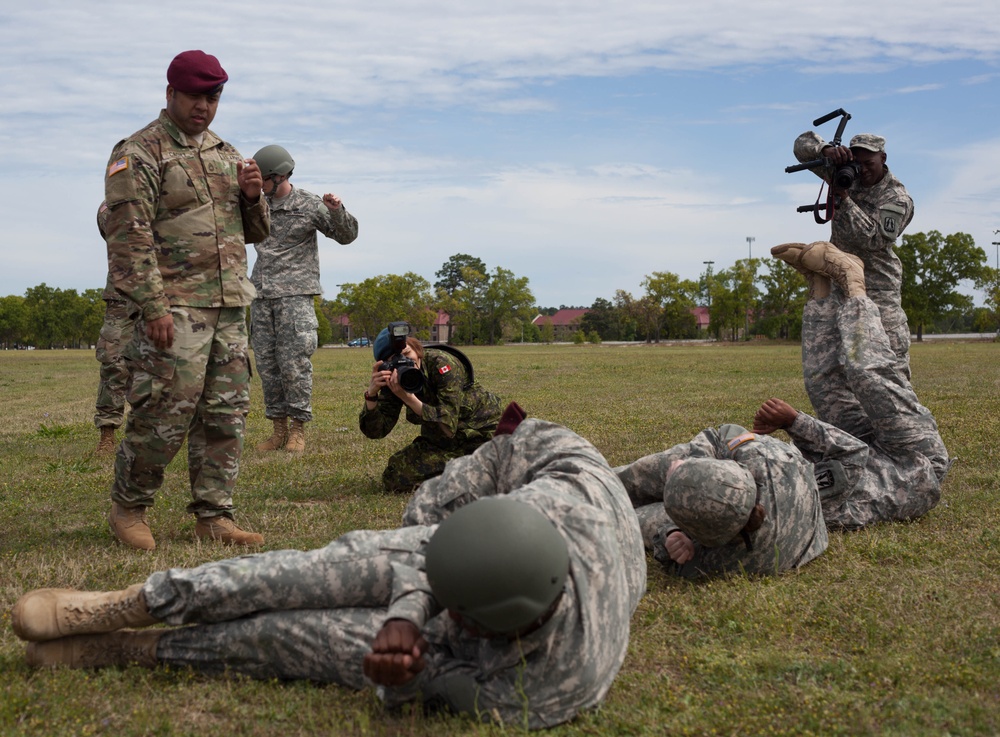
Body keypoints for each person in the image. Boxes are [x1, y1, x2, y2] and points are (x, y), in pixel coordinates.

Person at [12, 414, 647, 731]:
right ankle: (135, 601)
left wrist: (403, 674)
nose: (436, 609)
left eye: (452, 611)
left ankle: (142, 650)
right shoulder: (543, 507)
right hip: (548, 470)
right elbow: (428, 552)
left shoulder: (552, 689)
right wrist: (408, 602)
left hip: (542, 597)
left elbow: (429, 686)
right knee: (312, 571)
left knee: (309, 642)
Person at [100, 50, 270, 550]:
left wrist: (253, 197)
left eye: (213, 96)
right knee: (162, 411)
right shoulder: (139, 151)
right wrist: (152, 307)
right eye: (195, 95)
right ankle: (129, 508)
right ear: (170, 92)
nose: (204, 106)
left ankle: (214, 516)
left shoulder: (226, 153)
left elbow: (254, 233)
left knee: (226, 415)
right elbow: (128, 238)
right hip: (174, 307)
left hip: (230, 306)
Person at [759, 240, 950, 530]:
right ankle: (852, 280)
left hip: (868, 450)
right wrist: (793, 422)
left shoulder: (769, 491)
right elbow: (851, 456)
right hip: (914, 459)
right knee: (866, 373)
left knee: (822, 387)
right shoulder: (801, 502)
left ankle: (819, 288)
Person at [249, 144, 359, 453]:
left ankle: (297, 430)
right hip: (261, 296)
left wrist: (337, 211)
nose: (260, 187)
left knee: (294, 365)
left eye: (264, 180)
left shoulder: (309, 205)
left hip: (295, 299)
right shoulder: (256, 204)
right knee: (267, 366)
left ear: (279, 175)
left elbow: (347, 236)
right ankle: (278, 430)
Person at [616, 423, 829, 579]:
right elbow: (722, 434)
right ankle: (595, 483)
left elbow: (676, 561)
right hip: (729, 481)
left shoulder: (731, 559)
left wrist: (670, 535)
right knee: (642, 473)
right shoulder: (762, 458)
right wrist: (694, 463)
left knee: (628, 521)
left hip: (715, 520)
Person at [792, 130, 914, 378]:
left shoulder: (897, 197)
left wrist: (844, 198)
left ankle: (904, 415)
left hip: (877, 287)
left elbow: (874, 240)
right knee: (838, 361)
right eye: (857, 164)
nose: (863, 170)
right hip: (840, 284)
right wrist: (826, 151)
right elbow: (800, 146)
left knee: (890, 361)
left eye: (869, 163)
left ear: (883, 158)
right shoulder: (845, 174)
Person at [361, 327, 503, 492]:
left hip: (480, 434)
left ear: (418, 350)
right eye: (395, 361)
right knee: (394, 477)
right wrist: (371, 395)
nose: (406, 363)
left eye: (407, 355)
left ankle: (483, 469)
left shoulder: (442, 363)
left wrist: (408, 398)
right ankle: (472, 470)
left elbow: (448, 426)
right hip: (442, 441)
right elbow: (376, 431)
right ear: (385, 366)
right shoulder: (393, 378)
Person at [93, 201, 141, 454]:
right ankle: (107, 434)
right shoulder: (113, 203)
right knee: (113, 364)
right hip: (121, 296)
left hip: (164, 295)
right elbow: (110, 226)